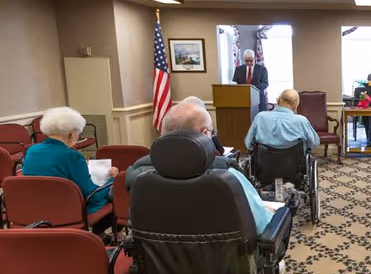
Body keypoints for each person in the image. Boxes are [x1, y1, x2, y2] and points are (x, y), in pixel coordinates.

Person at [128, 102, 276, 238]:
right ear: (205, 133)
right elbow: (261, 226)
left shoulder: (139, 175)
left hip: (159, 265)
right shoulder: (227, 176)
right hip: (225, 265)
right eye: (212, 132)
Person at [22, 107, 118, 238]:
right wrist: (112, 179)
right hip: (68, 212)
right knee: (116, 194)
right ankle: (98, 237)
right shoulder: (71, 155)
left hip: (36, 209)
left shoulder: (32, 150)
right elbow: (92, 196)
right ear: (72, 134)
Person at [244, 89, 319, 152]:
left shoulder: (260, 117)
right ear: (296, 105)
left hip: (264, 164)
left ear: (278, 100)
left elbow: (248, 143)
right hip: (294, 165)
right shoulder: (301, 121)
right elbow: (314, 142)